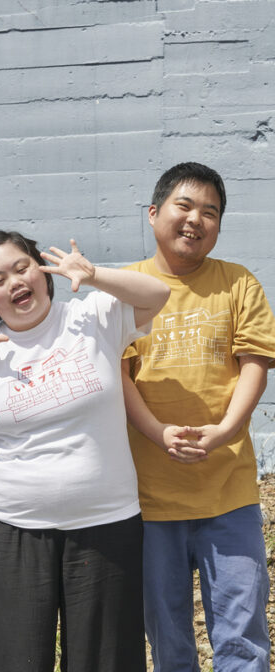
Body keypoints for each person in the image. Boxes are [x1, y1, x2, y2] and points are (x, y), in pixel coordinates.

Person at [0, 230, 170, 672]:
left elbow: (157, 293)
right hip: (14, 528)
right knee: (17, 661)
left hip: (106, 523)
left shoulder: (91, 316)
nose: (14, 282)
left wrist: (94, 274)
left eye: (22, 268)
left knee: (107, 662)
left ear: (43, 272)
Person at [121, 162, 275, 671]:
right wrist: (157, 432)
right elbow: (118, 375)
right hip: (149, 498)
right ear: (153, 213)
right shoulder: (126, 286)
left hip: (228, 493)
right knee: (167, 640)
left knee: (242, 636)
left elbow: (255, 363)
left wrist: (226, 431)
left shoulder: (238, 283)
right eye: (184, 206)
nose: (195, 220)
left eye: (210, 212)